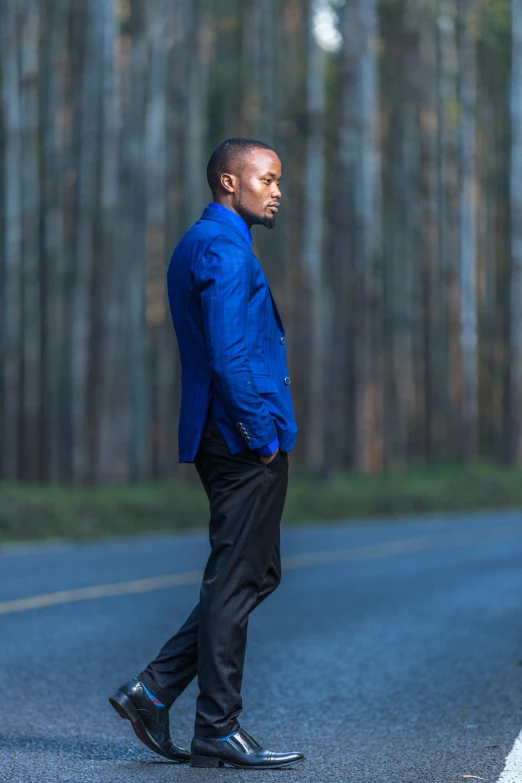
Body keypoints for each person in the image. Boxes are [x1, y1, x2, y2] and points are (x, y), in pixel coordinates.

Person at [109, 138, 304, 770]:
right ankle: (216, 727)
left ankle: (156, 689)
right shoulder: (222, 247)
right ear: (229, 181)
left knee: (255, 573)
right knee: (235, 578)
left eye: (278, 181)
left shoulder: (206, 241)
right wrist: (262, 439)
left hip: (222, 434)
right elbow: (227, 354)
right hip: (238, 438)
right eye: (267, 179)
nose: (277, 191)